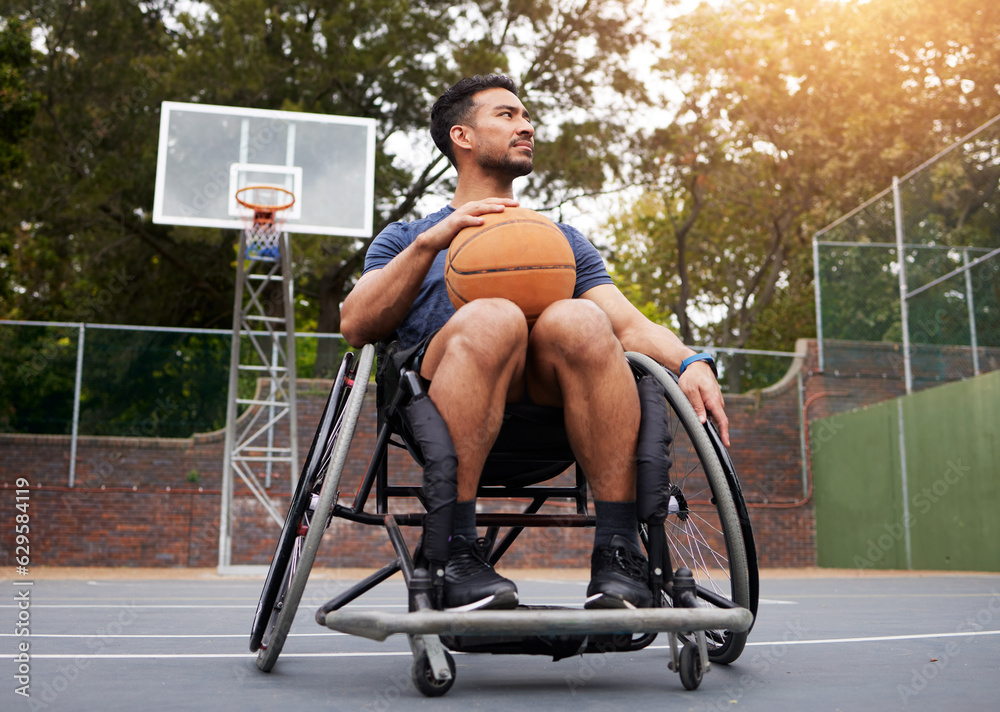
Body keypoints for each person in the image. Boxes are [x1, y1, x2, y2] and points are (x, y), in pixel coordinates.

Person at [341, 74, 729, 612]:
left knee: (582, 318)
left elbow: (629, 325)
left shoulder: (561, 241)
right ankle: (455, 551)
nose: (526, 126)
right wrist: (436, 240)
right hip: (438, 414)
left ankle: (618, 553)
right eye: (507, 115)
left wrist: (692, 360)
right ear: (463, 136)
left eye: (526, 117)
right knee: (493, 317)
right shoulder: (407, 238)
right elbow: (356, 324)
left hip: (553, 420)